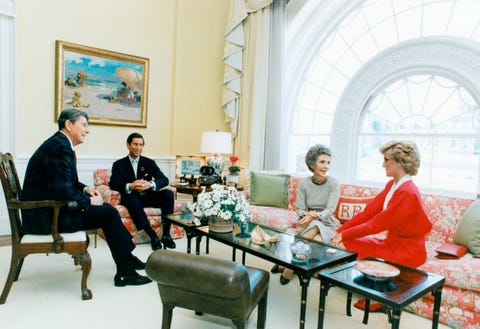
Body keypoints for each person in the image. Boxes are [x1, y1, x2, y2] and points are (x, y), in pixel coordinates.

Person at [21, 109, 151, 287]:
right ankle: (125, 271)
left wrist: (86, 189)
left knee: (108, 212)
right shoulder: (60, 148)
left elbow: (67, 182)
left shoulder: (58, 144)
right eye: (84, 125)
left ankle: (127, 259)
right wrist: (89, 201)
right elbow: (61, 190)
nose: (87, 130)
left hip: (46, 212)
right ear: (68, 124)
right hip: (48, 218)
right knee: (109, 213)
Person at [330, 140, 432, 311]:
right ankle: (376, 291)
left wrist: (345, 235)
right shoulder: (393, 184)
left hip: (407, 250)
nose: (382, 164)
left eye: (386, 160)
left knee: (350, 243)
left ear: (399, 163)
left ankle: (383, 297)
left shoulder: (407, 191)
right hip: (392, 242)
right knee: (348, 243)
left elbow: (375, 225)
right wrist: (340, 231)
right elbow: (368, 213)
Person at [272, 144, 341, 285]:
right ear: (312, 164)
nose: (326, 166)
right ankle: (298, 267)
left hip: (328, 223)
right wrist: (308, 215)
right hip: (307, 221)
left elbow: (330, 210)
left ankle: (289, 266)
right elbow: (299, 209)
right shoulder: (304, 183)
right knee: (317, 238)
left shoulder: (333, 183)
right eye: (322, 162)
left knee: (317, 232)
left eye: (328, 162)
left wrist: (313, 216)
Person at [109, 132, 176, 251]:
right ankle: (152, 235)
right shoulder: (119, 164)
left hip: (148, 196)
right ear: (128, 145)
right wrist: (130, 186)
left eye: (141, 145)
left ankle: (166, 234)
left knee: (168, 194)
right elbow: (113, 183)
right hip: (132, 198)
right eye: (135, 144)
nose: (138, 148)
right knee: (132, 200)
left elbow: (164, 179)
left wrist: (150, 184)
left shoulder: (149, 162)